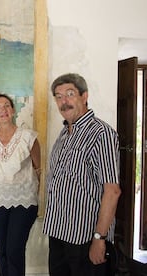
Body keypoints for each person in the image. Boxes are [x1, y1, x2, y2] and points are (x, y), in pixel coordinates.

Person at [42, 73, 121, 276]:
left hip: (85, 239)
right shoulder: (63, 135)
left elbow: (112, 191)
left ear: (84, 96)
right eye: (58, 96)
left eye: (70, 94)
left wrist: (99, 238)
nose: (63, 101)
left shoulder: (101, 134)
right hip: (59, 233)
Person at [0, 94, 41, 276]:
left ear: (13, 111)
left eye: (7, 106)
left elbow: (38, 168)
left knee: (14, 250)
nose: (3, 110)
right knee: (3, 252)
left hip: (24, 201)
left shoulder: (28, 137)